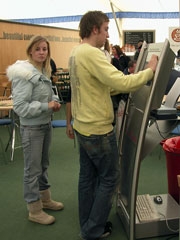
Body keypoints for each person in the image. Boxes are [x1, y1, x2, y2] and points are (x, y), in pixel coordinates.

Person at [68, 10, 158, 240]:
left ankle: (87, 224)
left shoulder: (76, 52)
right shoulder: (92, 53)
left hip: (83, 126)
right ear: (95, 29)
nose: (107, 34)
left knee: (87, 179)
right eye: (106, 29)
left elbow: (102, 87)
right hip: (98, 129)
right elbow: (120, 81)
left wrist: (126, 83)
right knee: (109, 179)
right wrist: (149, 71)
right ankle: (93, 230)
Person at [6, 35, 64, 225]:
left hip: (45, 124)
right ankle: (34, 209)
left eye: (44, 49)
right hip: (32, 128)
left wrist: (53, 101)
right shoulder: (24, 73)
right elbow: (20, 107)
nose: (41, 52)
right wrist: (46, 106)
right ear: (30, 50)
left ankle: (45, 200)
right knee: (32, 170)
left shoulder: (42, 70)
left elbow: (46, 93)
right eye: (38, 49)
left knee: (43, 165)